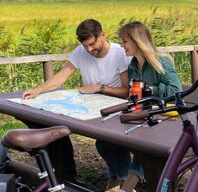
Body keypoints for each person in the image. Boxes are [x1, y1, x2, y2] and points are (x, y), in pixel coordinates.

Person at [22, 19, 130, 182]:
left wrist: (99, 88)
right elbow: (61, 76)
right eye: (85, 46)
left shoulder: (119, 53)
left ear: (102, 34)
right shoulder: (80, 52)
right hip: (92, 109)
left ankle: (123, 180)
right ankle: (114, 176)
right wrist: (37, 90)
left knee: (107, 143)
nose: (89, 49)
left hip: (115, 109)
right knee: (98, 143)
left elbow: (126, 91)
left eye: (92, 44)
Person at [101, 20, 182, 192]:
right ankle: (122, 181)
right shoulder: (132, 65)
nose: (122, 46)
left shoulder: (160, 62)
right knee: (105, 141)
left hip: (168, 119)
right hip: (145, 117)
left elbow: (176, 91)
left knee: (145, 147)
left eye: (124, 41)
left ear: (137, 41)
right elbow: (133, 94)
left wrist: (149, 89)